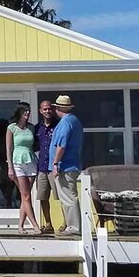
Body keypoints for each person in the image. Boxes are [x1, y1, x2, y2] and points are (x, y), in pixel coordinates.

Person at [49, 95, 83, 236]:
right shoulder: (74, 121)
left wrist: (56, 163)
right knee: (68, 197)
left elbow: (61, 146)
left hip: (65, 167)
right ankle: (72, 225)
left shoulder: (65, 123)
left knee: (68, 197)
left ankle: (73, 227)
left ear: (58, 108)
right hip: (71, 165)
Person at [6, 102, 42, 235]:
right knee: (26, 195)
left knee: (24, 196)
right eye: (24, 111)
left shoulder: (31, 128)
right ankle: (35, 225)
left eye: (29, 111)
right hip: (17, 162)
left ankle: (20, 226)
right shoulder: (12, 128)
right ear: (19, 112)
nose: (27, 113)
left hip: (31, 161)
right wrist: (10, 167)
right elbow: (9, 149)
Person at [33, 100, 61, 234]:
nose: (47, 111)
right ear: (40, 111)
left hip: (55, 166)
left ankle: (66, 223)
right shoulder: (37, 127)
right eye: (45, 109)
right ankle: (48, 223)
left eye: (49, 109)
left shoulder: (58, 126)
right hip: (42, 166)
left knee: (61, 196)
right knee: (43, 197)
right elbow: (35, 146)